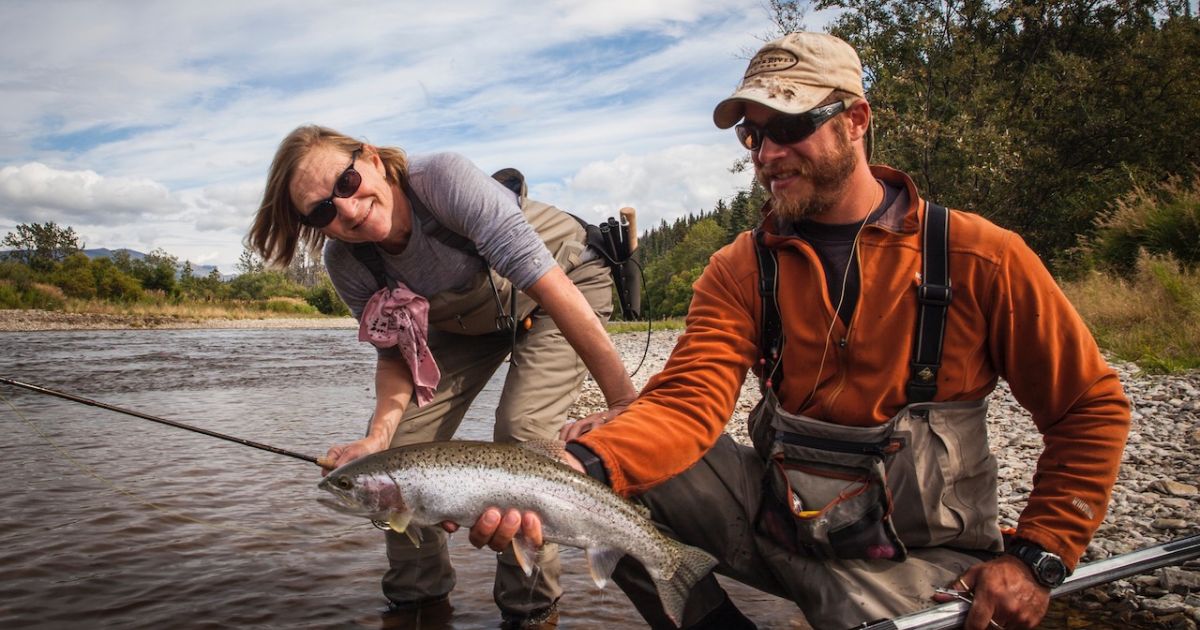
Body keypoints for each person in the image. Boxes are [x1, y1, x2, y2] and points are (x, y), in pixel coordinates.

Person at [470, 32, 1131, 630]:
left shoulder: (981, 257)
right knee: (611, 455)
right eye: (753, 135)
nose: (768, 153)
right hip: (774, 526)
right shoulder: (739, 267)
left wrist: (1039, 554)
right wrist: (576, 468)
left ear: (856, 121)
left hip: (917, 559)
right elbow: (686, 403)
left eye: (789, 126)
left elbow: (1089, 408)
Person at [248, 125, 638, 629]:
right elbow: (395, 355)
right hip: (462, 324)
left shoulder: (442, 180)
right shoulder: (347, 260)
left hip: (560, 291)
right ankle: (419, 608)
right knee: (393, 462)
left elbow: (556, 291)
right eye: (322, 211)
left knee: (522, 435)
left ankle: (531, 610)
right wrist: (377, 436)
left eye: (345, 182)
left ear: (369, 156)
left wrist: (626, 402)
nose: (346, 209)